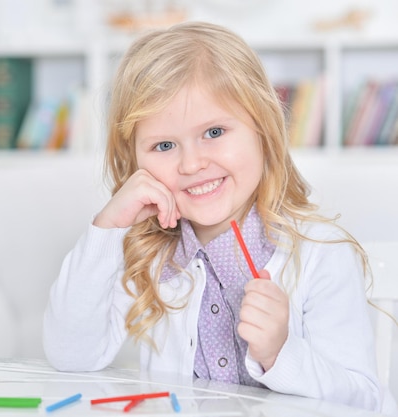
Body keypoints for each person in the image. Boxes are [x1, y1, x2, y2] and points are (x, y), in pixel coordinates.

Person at [43, 21, 386, 412]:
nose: (192, 163)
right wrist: (107, 228)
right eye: (165, 144)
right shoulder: (148, 255)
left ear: (263, 129)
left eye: (214, 132)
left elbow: (365, 400)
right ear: (134, 160)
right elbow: (71, 356)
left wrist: (280, 354)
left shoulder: (320, 255)